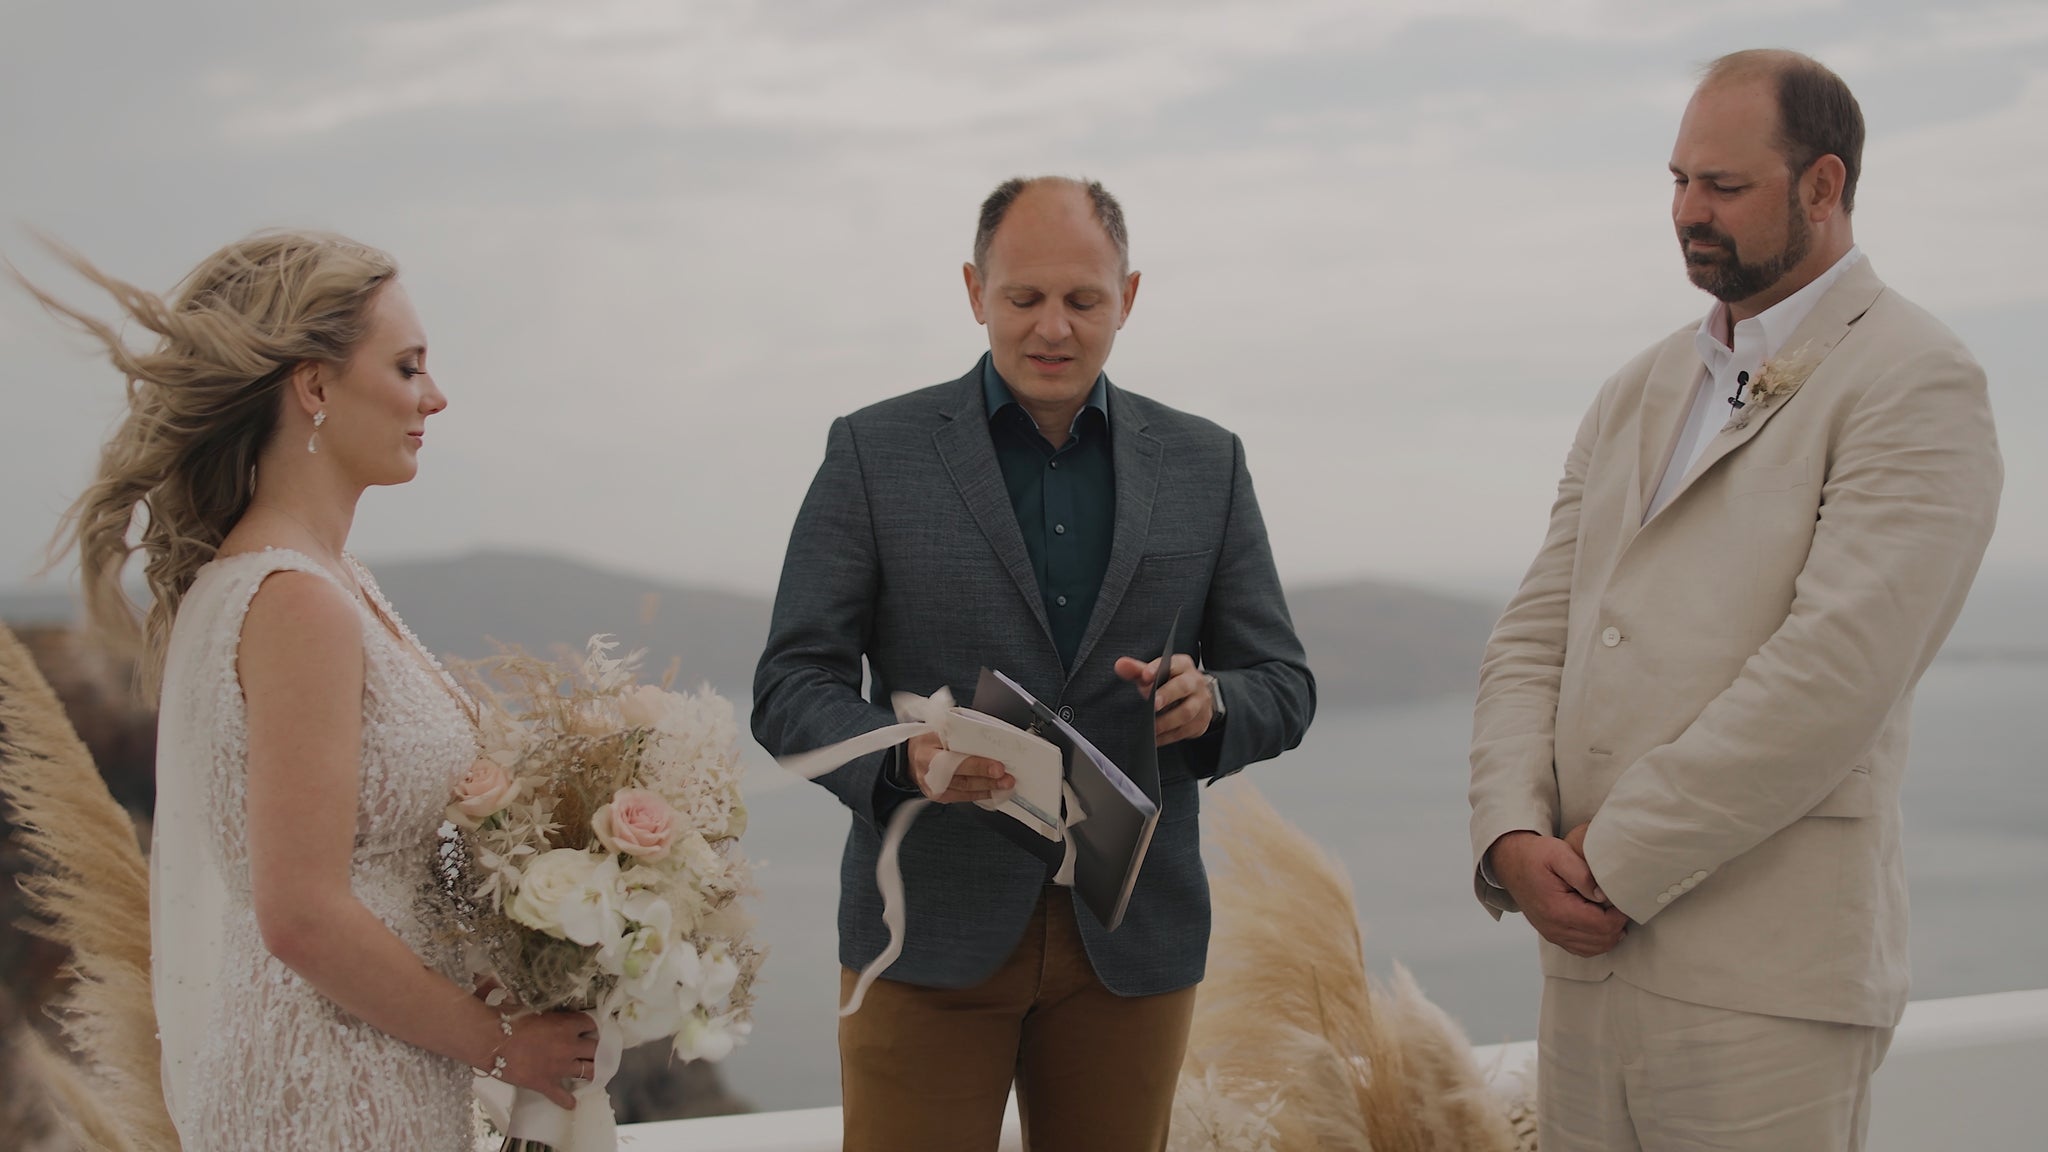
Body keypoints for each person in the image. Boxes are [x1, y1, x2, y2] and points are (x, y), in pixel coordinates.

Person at [1467, 50, 2002, 1151]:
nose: (1686, 213)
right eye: (1675, 181)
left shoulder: (1914, 377)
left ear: (1822, 185)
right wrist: (1510, 831)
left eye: (1722, 185)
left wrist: (1613, 861)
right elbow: (1535, 628)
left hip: (1766, 987)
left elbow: (1834, 673)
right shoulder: (1635, 388)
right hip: (1583, 974)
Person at [753, 176, 1315, 1151]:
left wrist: (1208, 705)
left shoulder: (1205, 462)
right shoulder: (870, 452)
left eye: (1082, 300)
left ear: (1126, 299)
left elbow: (1282, 684)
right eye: (1023, 298)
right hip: (926, 936)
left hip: (1132, 947)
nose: (1051, 327)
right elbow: (790, 685)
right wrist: (903, 759)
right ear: (974, 291)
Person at [25, 231, 596, 1148]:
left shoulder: (332, 581)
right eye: (408, 367)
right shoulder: (297, 604)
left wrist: (519, 931)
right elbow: (299, 914)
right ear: (316, 387)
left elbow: (403, 849)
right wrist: (501, 1047)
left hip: (385, 1061)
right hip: (333, 1088)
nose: (435, 397)